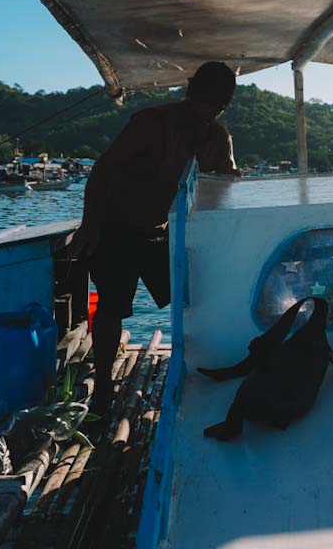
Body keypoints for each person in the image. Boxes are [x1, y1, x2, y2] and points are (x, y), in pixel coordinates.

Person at [69, 61, 240, 413]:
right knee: (111, 308)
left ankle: (196, 364)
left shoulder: (218, 138)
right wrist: (90, 225)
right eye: (204, 100)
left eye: (217, 105)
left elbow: (226, 184)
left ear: (225, 105)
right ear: (189, 90)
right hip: (115, 226)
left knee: (191, 298)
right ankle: (103, 386)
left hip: (161, 232)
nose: (208, 111)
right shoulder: (152, 123)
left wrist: (231, 174)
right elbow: (102, 171)